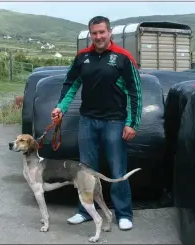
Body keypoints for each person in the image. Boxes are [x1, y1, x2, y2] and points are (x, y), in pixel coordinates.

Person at [50, 16, 142, 231]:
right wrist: (60, 108)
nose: (98, 36)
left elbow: (135, 92)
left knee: (117, 169)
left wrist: (132, 123)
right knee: (86, 171)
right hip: (87, 122)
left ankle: (123, 214)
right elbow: (71, 85)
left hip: (115, 122)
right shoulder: (82, 58)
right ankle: (85, 211)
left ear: (110, 32)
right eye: (95, 33)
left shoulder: (123, 58)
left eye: (102, 32)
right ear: (90, 34)